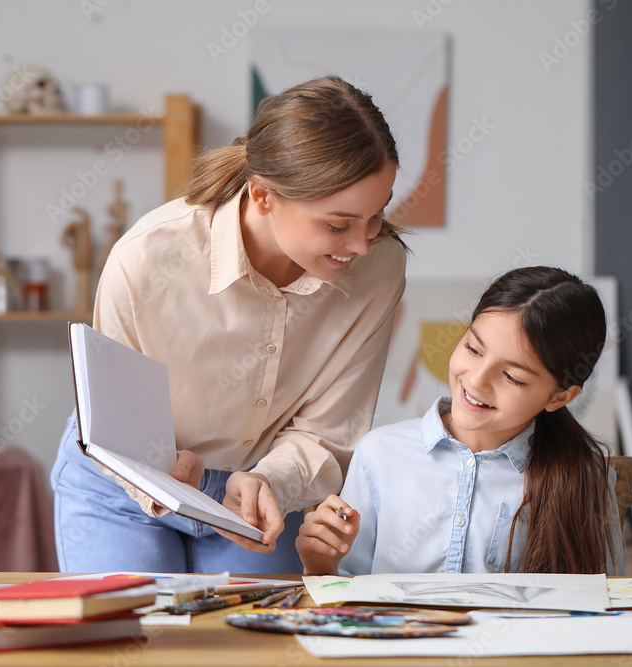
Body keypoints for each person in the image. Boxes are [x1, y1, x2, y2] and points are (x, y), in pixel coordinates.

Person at [51, 76, 407, 574]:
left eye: (376, 215)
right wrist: (167, 469)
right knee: (136, 643)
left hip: (257, 488)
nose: (363, 244)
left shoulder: (379, 268)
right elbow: (116, 426)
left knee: (253, 646)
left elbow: (330, 430)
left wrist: (272, 483)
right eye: (337, 224)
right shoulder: (147, 258)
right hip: (123, 481)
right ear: (263, 196)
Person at [297, 266, 624, 575]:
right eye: (473, 348)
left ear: (560, 397)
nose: (478, 380)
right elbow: (346, 591)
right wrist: (319, 567)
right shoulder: (379, 454)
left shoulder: (585, 477)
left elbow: (598, 604)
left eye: (512, 377)